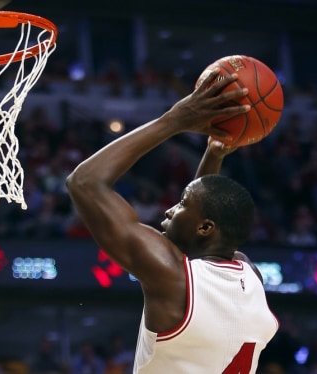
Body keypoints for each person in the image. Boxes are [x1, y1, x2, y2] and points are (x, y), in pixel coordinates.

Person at [66, 69, 278, 374]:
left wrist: (175, 120)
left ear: (205, 227)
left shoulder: (171, 275)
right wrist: (214, 154)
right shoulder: (250, 275)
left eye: (180, 205)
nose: (169, 210)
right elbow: (204, 237)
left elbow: (84, 182)